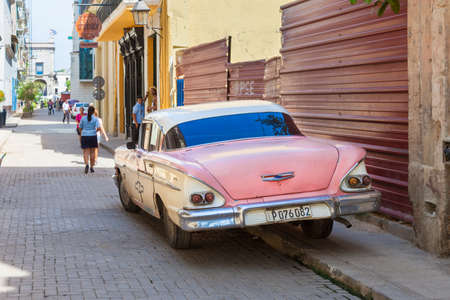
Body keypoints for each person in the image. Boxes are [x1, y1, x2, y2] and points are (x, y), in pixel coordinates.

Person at [79, 106, 99, 174]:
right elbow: (98, 128)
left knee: (85, 152)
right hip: (93, 135)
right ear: (93, 112)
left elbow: (80, 127)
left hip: (84, 135)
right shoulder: (95, 119)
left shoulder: (83, 118)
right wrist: (94, 131)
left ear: (87, 111)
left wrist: (82, 133)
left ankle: (86, 164)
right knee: (92, 152)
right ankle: (92, 167)